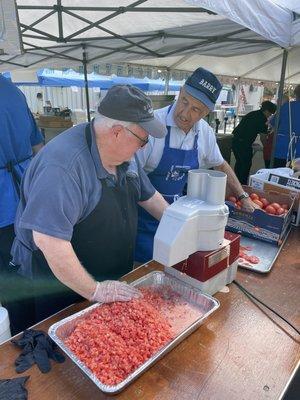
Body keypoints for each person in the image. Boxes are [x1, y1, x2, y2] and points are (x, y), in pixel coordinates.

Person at [9, 85, 168, 334]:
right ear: (117, 132)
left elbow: (150, 197)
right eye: (143, 139)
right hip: (61, 285)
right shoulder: (62, 168)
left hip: (110, 277)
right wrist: (96, 290)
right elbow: (49, 241)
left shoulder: (126, 153)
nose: (145, 146)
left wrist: (181, 225)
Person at [135, 67, 259, 264]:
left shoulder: (205, 133)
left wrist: (243, 197)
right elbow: (132, 176)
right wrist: (167, 216)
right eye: (184, 101)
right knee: (146, 270)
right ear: (181, 91)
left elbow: (221, 165)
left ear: (207, 112)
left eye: (195, 109)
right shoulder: (152, 126)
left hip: (179, 222)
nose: (185, 113)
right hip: (143, 222)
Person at [0, 75, 44, 328]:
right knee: (29, 265)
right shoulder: (14, 92)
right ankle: (37, 326)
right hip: (26, 197)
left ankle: (21, 334)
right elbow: (38, 146)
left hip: (5, 206)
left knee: (9, 278)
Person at [232, 100, 277, 184]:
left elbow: (248, 129)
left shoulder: (253, 113)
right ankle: (242, 184)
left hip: (235, 140)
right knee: (246, 165)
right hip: (244, 143)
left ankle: (236, 182)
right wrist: (265, 148)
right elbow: (263, 137)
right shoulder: (262, 119)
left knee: (239, 163)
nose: (269, 116)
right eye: (270, 114)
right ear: (266, 111)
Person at [270, 85, 300, 167]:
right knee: (295, 177)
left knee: (279, 175)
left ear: (296, 94)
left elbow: (272, 122)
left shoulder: (286, 106)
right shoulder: (287, 106)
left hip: (282, 149)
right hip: (296, 152)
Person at [263, 94, 289, 168]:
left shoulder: (281, 111)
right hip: (276, 146)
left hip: (277, 147)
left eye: (278, 102)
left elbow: (269, 123)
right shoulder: (282, 112)